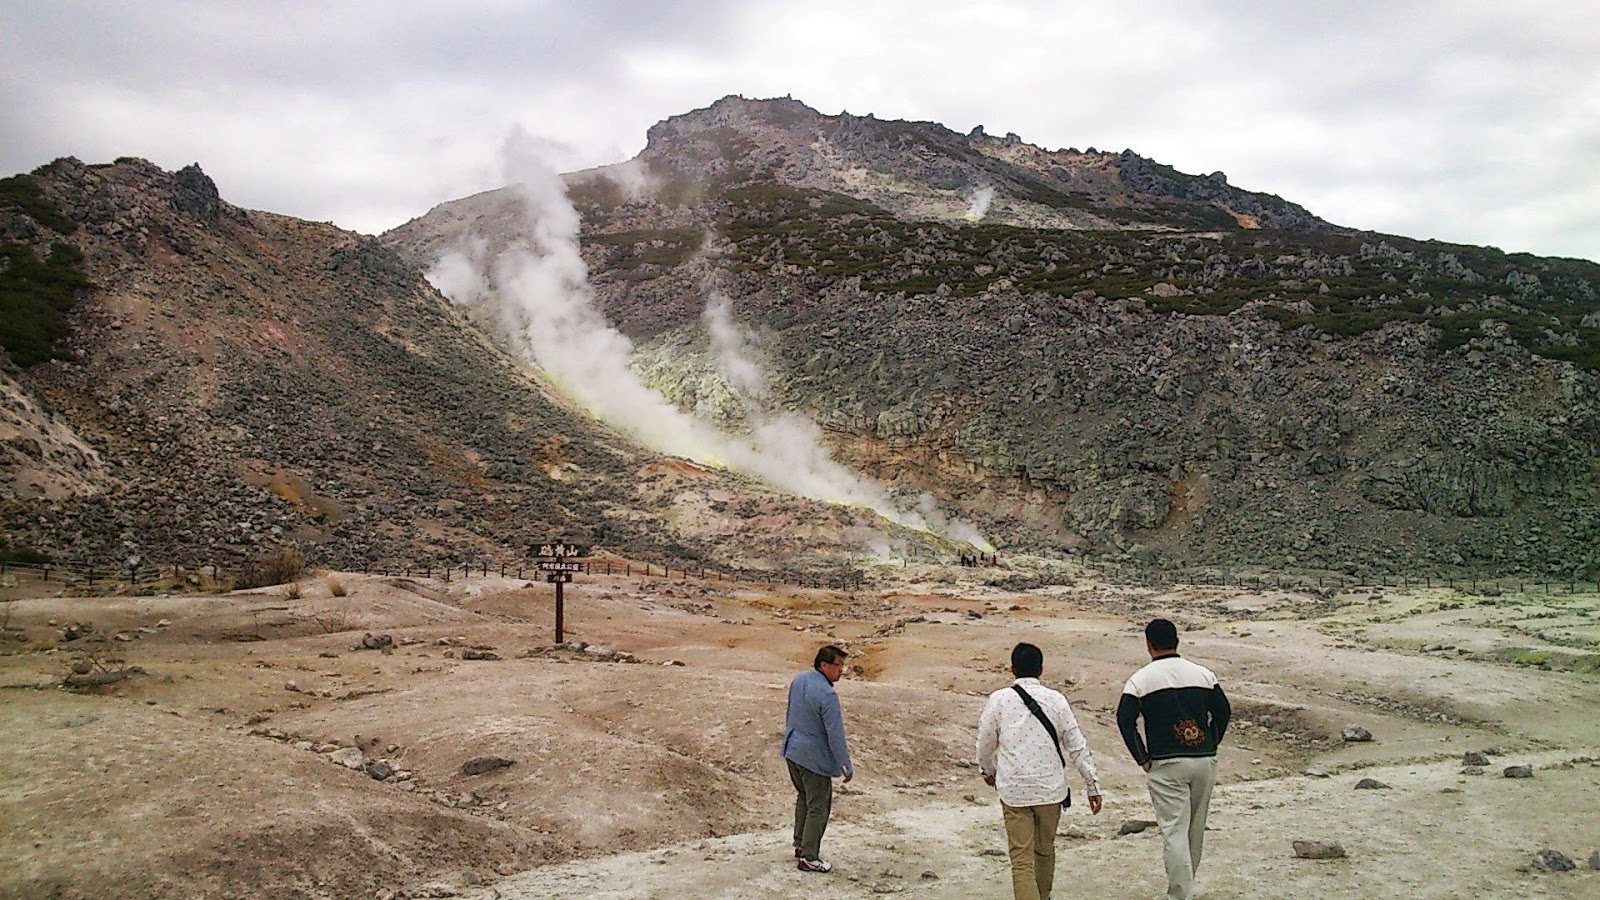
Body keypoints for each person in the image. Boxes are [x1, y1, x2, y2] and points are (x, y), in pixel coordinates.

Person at [977, 642, 1103, 900]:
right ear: (1041, 669)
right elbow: (1076, 745)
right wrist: (1092, 785)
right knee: (1045, 851)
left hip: (1014, 791)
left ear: (1012, 669)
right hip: (1050, 790)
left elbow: (985, 741)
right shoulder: (1057, 700)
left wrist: (987, 770)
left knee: (1021, 859)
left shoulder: (999, 699)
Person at [1117, 619, 1231, 900]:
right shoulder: (1203, 674)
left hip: (1166, 762)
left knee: (1173, 831)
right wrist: (1211, 741)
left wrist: (1142, 758)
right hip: (1203, 759)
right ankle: (1186, 887)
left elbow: (1124, 720)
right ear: (1177, 641)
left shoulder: (1140, 680)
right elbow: (1223, 711)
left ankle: (1180, 894)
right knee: (1195, 829)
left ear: (1148, 645)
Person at [781, 644, 854, 873]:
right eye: (838, 665)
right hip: (813, 758)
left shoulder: (799, 680)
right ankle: (810, 856)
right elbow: (835, 733)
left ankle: (801, 844)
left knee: (804, 797)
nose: (841, 670)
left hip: (792, 750)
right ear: (824, 665)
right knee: (818, 807)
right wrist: (845, 765)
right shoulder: (828, 694)